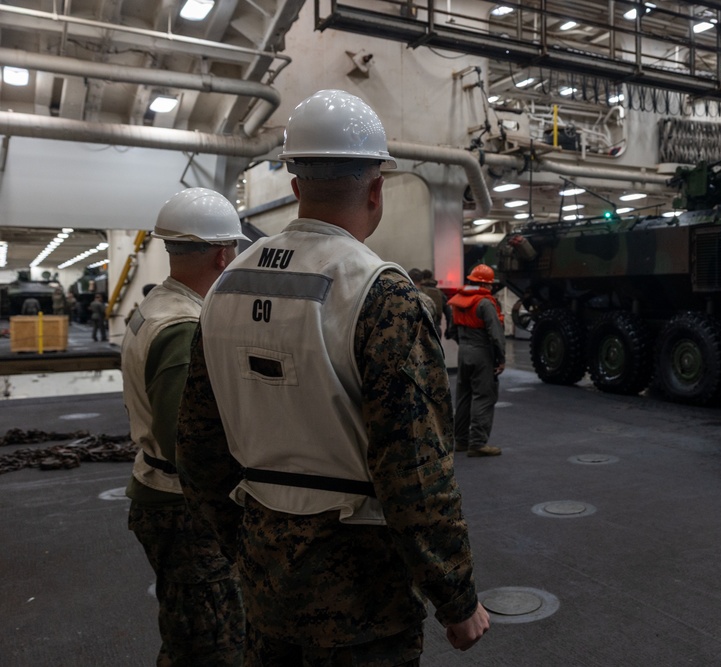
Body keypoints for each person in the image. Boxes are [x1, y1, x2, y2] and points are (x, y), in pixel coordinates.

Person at [175, 88, 489, 665]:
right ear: (377, 189)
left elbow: (197, 452)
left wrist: (247, 549)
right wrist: (456, 598)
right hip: (363, 600)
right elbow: (416, 477)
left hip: (265, 588)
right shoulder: (382, 296)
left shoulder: (224, 289)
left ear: (295, 186)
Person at [123, 187, 248, 666]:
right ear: (222, 253)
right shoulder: (184, 326)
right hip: (183, 508)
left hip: (159, 492)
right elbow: (187, 446)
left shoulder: (153, 308)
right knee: (212, 646)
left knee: (184, 632)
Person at [447, 264, 505, 457]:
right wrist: (501, 358)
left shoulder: (458, 300)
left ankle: (461, 441)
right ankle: (478, 443)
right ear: (486, 284)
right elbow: (496, 335)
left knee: (463, 397)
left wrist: (465, 345)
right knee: (484, 396)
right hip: (481, 353)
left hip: (463, 352)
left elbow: (452, 331)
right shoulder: (485, 303)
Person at [421, 268, 452, 337]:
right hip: (436, 328)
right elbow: (449, 313)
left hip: (421, 329)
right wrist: (448, 330)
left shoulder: (419, 292)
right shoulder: (440, 293)